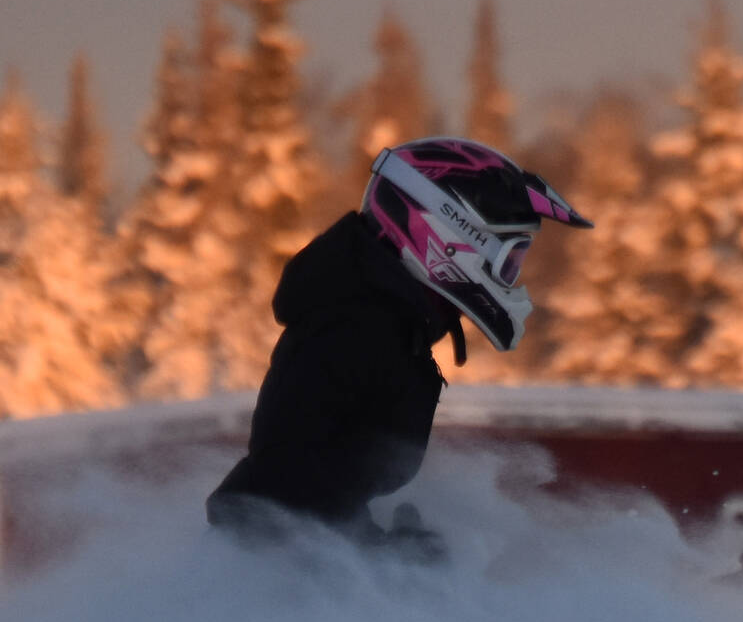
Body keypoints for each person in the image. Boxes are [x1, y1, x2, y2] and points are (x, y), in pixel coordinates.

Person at [206, 137, 591, 560]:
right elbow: (280, 489)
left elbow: (325, 481)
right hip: (270, 582)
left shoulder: (389, 327)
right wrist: (378, 561)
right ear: (448, 237)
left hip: (294, 570)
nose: (511, 277)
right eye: (509, 259)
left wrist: (387, 546)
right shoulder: (352, 327)